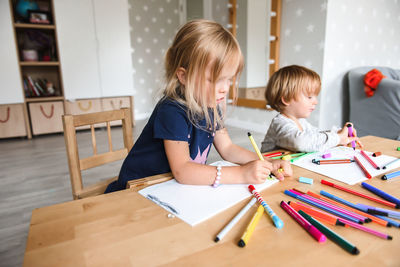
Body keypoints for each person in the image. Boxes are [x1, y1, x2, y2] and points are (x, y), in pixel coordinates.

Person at [105, 20, 291, 193]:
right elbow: (183, 170)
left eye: (228, 79)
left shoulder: (211, 105)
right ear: (183, 76)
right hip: (138, 189)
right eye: (214, 80)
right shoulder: (172, 110)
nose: (225, 89)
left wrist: (266, 162)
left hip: (168, 188)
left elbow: (227, 148)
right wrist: (241, 174)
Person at [261, 65, 361, 153]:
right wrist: (338, 139)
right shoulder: (280, 123)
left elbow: (315, 135)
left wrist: (339, 133)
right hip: (271, 171)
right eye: (309, 97)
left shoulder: (301, 122)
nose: (315, 102)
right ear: (286, 99)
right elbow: (300, 142)